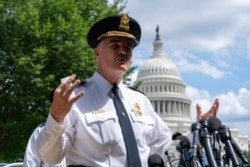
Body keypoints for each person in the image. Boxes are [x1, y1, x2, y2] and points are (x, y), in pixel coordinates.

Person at [36, 13, 219, 167]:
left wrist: (198, 132)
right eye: (115, 45)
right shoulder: (74, 99)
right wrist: (57, 118)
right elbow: (50, 157)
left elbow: (164, 148)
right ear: (97, 53)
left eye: (127, 47)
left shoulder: (140, 101)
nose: (122, 51)